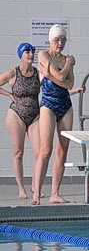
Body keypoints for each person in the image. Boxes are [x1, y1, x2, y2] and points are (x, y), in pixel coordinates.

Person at [35, 25, 84, 205]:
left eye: (63, 39)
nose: (60, 43)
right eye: (57, 40)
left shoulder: (64, 58)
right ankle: (36, 193)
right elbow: (63, 78)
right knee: (45, 150)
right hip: (47, 104)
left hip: (65, 105)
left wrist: (51, 74)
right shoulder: (43, 55)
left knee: (62, 152)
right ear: (50, 40)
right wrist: (68, 65)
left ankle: (55, 193)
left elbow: (69, 84)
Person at [0, 43, 41, 199]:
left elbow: (54, 84)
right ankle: (21, 188)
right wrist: (7, 94)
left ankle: (35, 186)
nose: (31, 54)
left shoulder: (38, 73)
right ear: (21, 54)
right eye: (27, 52)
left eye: (32, 52)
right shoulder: (13, 73)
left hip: (35, 116)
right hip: (16, 114)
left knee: (40, 153)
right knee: (18, 153)